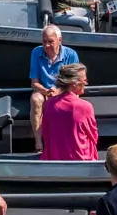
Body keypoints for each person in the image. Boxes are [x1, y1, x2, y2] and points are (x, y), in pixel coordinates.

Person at [28, 24, 80, 153]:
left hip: (65, 90)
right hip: (44, 91)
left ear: (59, 40)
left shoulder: (71, 55)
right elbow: (34, 82)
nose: (46, 45)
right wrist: (46, 91)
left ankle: (69, 142)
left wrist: (59, 91)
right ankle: (39, 143)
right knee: (35, 99)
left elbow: (74, 82)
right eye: (44, 42)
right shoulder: (36, 52)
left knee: (72, 102)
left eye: (50, 42)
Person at [39, 63, 98, 162]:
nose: (86, 83)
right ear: (74, 83)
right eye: (84, 80)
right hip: (82, 161)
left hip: (54, 160)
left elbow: (46, 134)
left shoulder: (49, 104)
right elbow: (93, 137)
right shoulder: (85, 106)